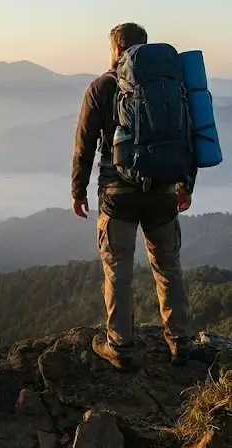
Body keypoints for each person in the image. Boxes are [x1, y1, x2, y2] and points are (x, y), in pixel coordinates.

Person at [71, 22, 195, 371]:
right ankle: (181, 343)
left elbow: (83, 146)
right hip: (163, 192)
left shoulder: (101, 88)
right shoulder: (171, 87)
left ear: (115, 49)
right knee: (168, 267)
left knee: (118, 270)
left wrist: (77, 190)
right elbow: (187, 138)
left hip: (117, 197)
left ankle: (120, 348)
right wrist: (186, 185)